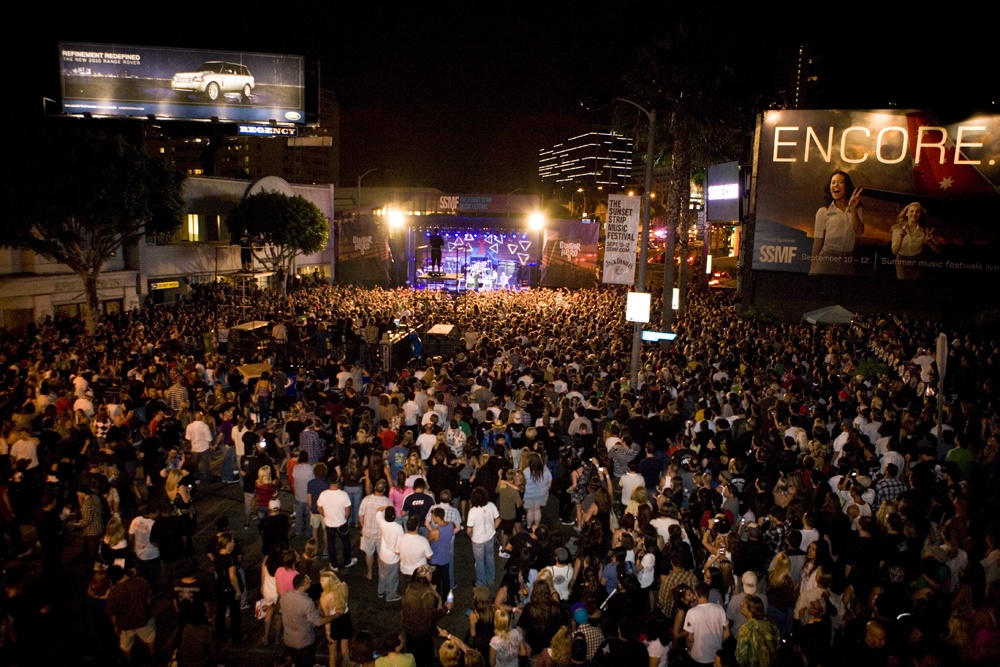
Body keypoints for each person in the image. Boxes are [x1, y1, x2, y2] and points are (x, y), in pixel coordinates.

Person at [280, 572, 342, 667]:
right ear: (303, 585)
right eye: (308, 581)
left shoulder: (285, 596)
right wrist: (335, 615)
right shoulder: (306, 602)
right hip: (304, 642)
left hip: (288, 640)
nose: (311, 582)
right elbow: (318, 622)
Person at [809, 170, 864, 276]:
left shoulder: (857, 208)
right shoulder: (823, 211)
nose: (835, 185)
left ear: (846, 187)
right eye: (833, 182)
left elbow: (860, 231)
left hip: (848, 261)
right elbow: (817, 241)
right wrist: (813, 266)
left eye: (840, 182)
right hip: (827, 259)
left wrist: (852, 209)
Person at [106, 565, 156, 662]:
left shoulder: (115, 592)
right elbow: (149, 598)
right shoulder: (140, 581)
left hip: (125, 624)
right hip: (143, 619)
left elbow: (112, 613)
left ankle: (129, 660)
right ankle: (153, 656)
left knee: (126, 645)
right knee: (150, 638)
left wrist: (115, 626)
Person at [401, 564, 447, 667]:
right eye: (430, 573)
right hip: (421, 631)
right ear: (426, 576)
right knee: (425, 657)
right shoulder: (427, 593)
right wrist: (444, 609)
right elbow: (431, 614)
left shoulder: (409, 587)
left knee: (413, 654)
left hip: (408, 629)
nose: (432, 575)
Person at [683, 582, 729, 665]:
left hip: (698, 656)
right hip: (716, 656)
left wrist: (689, 650)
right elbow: (727, 632)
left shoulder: (691, 612)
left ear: (696, 594)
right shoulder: (719, 609)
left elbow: (690, 638)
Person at [891, 201, 940, 279]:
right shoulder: (897, 229)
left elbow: (938, 250)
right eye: (911, 211)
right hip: (901, 260)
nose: (914, 214)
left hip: (918, 259)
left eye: (917, 212)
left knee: (915, 286)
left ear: (920, 215)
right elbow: (894, 251)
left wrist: (930, 241)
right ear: (906, 213)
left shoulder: (925, 230)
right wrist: (900, 238)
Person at [317, 475, 357, 570]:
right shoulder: (343, 494)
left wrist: (326, 515)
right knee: (346, 542)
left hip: (329, 523)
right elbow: (348, 510)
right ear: (338, 481)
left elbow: (319, 507)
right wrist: (344, 518)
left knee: (331, 544)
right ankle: (347, 561)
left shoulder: (323, 494)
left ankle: (334, 564)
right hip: (341, 523)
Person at [467, 486, 501, 587]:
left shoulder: (472, 511)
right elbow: (498, 519)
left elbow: (469, 530)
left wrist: (471, 536)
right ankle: (491, 579)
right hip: (490, 537)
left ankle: (481, 582)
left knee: (479, 561)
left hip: (478, 539)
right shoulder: (491, 505)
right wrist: (493, 528)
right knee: (490, 558)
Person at [734, 595, 779, 667]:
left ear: (751, 609)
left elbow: (741, 657)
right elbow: (777, 644)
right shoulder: (771, 624)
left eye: (743, 605)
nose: (741, 605)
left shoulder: (746, 629)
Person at [319, 567, 352, 667]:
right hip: (346, 618)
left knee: (332, 655)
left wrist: (328, 633)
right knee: (345, 652)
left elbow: (327, 618)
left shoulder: (324, 598)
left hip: (334, 622)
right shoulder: (344, 586)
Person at [378, 506, 405, 602]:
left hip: (382, 554)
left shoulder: (382, 522)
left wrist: (385, 507)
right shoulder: (398, 528)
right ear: (394, 516)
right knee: (392, 578)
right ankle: (391, 595)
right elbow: (401, 542)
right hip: (393, 558)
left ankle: (381, 591)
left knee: (382, 574)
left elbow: (378, 511)